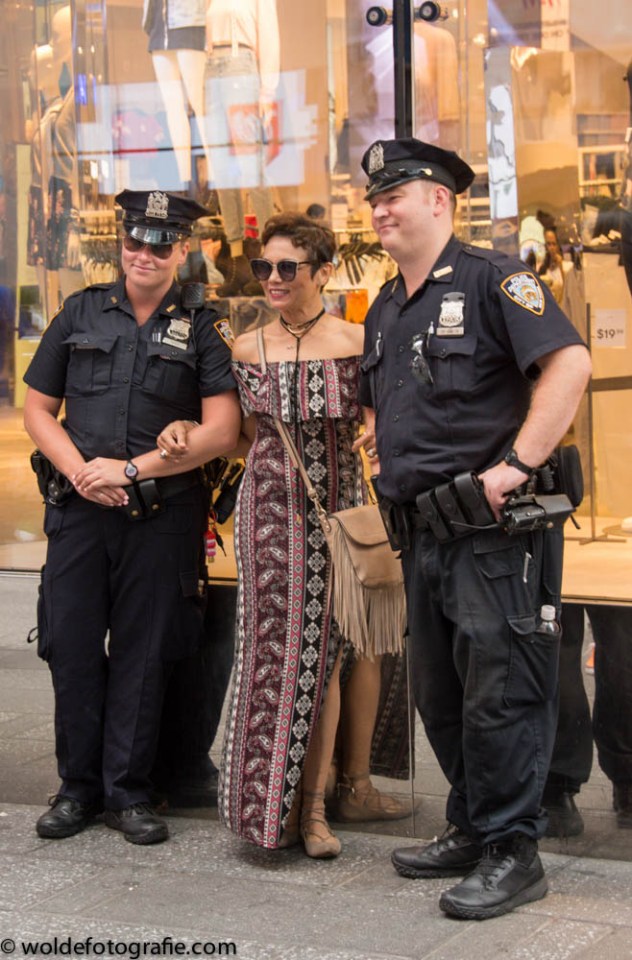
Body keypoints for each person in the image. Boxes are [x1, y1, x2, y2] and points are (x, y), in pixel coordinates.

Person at [358, 138, 592, 920]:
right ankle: (472, 826)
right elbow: (387, 402)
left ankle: (513, 851)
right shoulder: (386, 307)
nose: (380, 209)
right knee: (442, 695)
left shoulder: (496, 279)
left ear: (440, 200)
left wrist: (518, 464)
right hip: (423, 532)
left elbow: (569, 364)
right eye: (374, 199)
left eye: (395, 194)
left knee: (503, 692)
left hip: (494, 535)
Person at [157, 212, 410, 858]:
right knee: (281, 654)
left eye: (287, 267)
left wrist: (379, 434)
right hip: (268, 511)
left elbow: (385, 419)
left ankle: (331, 796)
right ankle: (287, 807)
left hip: (341, 511)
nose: (271, 277)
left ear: (323, 273)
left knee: (338, 650)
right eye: (263, 266)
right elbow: (240, 437)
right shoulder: (247, 348)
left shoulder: (358, 341)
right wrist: (184, 431)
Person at [23, 189, 241, 845]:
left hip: (161, 516)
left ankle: (128, 792)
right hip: (79, 514)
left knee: (146, 653)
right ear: (122, 244)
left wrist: (127, 471)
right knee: (72, 647)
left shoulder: (203, 327)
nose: (144, 254)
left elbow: (221, 431)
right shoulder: (80, 311)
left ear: (183, 249)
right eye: (134, 241)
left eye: (160, 244)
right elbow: (37, 410)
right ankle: (77, 790)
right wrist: (80, 474)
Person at [204, 0, 280, 295]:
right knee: (222, 167)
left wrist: (267, 91)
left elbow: (269, 38)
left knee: (251, 165)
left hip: (242, 66)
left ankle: (269, 255)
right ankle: (236, 259)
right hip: (212, 67)